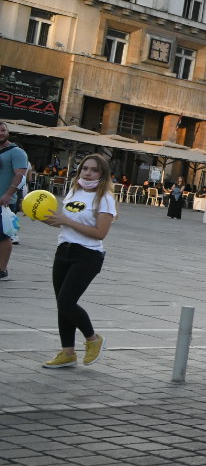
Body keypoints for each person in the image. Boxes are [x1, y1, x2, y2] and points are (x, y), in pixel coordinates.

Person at [39, 153, 118, 369]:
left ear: (102, 174)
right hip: (64, 250)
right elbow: (66, 222)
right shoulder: (74, 191)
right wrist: (49, 219)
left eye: (94, 170)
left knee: (66, 302)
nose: (88, 173)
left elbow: (100, 233)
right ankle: (68, 353)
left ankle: (93, 339)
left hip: (87, 255)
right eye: (85, 169)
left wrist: (67, 221)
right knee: (62, 305)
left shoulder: (105, 198)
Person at [0, 120, 31, 281]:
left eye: (3, 130)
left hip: (4, 201)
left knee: (3, 236)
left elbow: (21, 176)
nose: (1, 133)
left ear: (8, 132)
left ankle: (2, 269)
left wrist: (8, 194)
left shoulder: (16, 152)